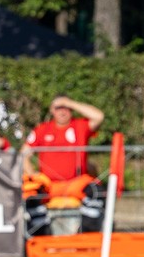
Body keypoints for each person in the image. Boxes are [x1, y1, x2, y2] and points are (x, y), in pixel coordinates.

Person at [23, 96, 106, 235]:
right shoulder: (42, 129)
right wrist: (32, 174)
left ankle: (86, 235)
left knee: (97, 192)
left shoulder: (80, 126)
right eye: (58, 108)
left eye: (66, 108)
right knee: (30, 194)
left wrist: (70, 102)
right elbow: (24, 154)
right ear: (52, 110)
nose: (62, 111)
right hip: (49, 185)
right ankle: (41, 235)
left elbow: (99, 116)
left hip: (76, 183)